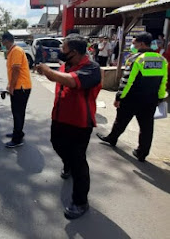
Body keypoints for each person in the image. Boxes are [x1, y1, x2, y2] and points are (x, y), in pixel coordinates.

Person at [36, 34, 102, 220]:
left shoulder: (92, 68)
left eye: (63, 50)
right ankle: (69, 165)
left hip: (80, 122)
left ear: (75, 51)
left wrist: (48, 70)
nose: (60, 53)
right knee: (57, 144)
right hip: (59, 117)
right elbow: (60, 78)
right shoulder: (68, 65)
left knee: (78, 161)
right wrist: (46, 73)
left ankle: (80, 202)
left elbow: (72, 81)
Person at [97, 32, 168, 162]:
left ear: (141, 44)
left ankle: (112, 138)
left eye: (134, 43)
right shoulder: (162, 60)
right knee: (147, 127)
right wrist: (160, 97)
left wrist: (119, 97)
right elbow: (163, 81)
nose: (132, 45)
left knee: (121, 121)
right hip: (151, 100)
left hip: (132, 99)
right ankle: (142, 153)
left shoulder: (136, 59)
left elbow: (127, 81)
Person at [2, 32, 32, 148]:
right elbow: (12, 72)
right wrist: (9, 85)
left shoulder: (16, 51)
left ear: (6, 41)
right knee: (18, 112)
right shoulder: (13, 51)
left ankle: (17, 139)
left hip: (21, 87)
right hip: (20, 86)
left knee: (18, 113)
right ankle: (18, 132)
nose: (2, 44)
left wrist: (12, 87)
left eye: (3, 41)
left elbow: (16, 70)